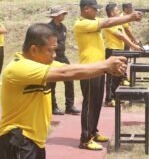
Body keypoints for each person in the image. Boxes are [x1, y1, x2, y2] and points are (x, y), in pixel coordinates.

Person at [0, 23, 127, 159]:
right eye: (51, 50)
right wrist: (106, 64)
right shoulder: (18, 67)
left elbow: (74, 70)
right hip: (18, 139)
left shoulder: (43, 63)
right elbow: (65, 73)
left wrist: (106, 69)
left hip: (34, 141)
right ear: (34, 50)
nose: (54, 55)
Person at [73, 0, 142, 150]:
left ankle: (93, 131)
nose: (97, 11)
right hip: (88, 69)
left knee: (97, 102)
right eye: (95, 8)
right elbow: (107, 22)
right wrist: (129, 17)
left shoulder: (91, 22)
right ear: (86, 9)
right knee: (89, 103)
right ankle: (85, 139)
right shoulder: (82, 23)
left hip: (99, 66)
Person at [103, 3, 142, 107]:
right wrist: (133, 46)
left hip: (120, 51)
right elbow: (120, 36)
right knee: (111, 77)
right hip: (112, 51)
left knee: (119, 75)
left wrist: (134, 43)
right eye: (117, 10)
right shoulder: (109, 23)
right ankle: (109, 100)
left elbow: (125, 35)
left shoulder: (118, 23)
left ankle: (116, 97)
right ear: (111, 13)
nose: (119, 12)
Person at [47, 6, 80, 115]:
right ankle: (53, 106)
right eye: (62, 14)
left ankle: (69, 106)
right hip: (52, 56)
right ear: (55, 15)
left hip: (62, 56)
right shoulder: (48, 28)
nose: (63, 15)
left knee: (70, 78)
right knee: (52, 82)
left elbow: (63, 42)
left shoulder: (63, 27)